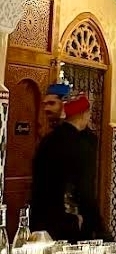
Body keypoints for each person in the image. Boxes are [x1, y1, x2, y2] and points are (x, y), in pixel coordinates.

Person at [29, 94, 105, 241]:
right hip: (70, 222)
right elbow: (84, 188)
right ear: (84, 114)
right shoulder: (82, 144)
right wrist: (95, 224)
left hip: (42, 218)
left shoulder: (47, 140)